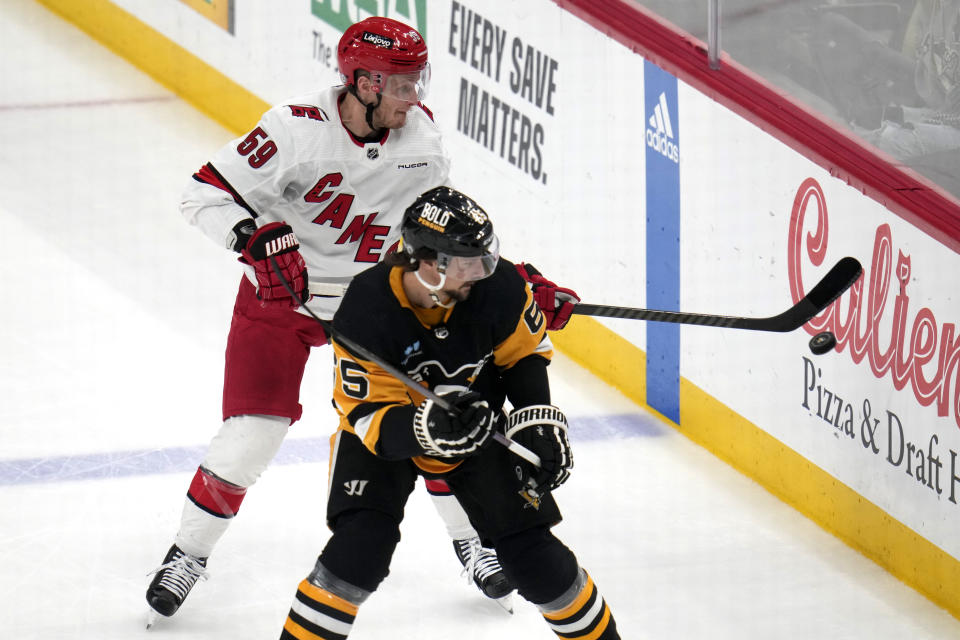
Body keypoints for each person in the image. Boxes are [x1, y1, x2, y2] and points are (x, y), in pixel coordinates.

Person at [145, 16, 579, 624]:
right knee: (251, 436)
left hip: (377, 310)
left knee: (438, 419)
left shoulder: (420, 143)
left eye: (416, 81)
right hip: (283, 302)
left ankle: (472, 539)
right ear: (364, 82)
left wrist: (516, 281)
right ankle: (187, 552)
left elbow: (439, 233)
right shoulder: (293, 131)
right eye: (402, 84)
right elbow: (201, 195)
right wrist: (252, 237)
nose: (415, 96)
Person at [278, 186, 620, 640]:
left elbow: (525, 354)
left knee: (536, 561)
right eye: (465, 264)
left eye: (483, 259)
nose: (480, 273)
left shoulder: (497, 288)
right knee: (360, 552)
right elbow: (370, 422)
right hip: (388, 438)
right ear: (425, 261)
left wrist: (536, 416)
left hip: (475, 424)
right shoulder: (366, 308)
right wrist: (430, 429)